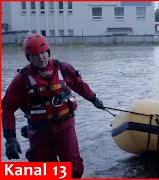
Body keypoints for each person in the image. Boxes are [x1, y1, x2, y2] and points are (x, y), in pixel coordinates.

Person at [2, 34, 105, 178]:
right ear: (28, 57)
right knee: (44, 171)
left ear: (48, 52)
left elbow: (80, 86)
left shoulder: (63, 68)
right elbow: (7, 108)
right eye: (35, 55)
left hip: (65, 126)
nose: (41, 57)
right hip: (39, 130)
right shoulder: (22, 79)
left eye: (43, 52)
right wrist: (10, 139)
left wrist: (94, 99)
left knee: (74, 169)